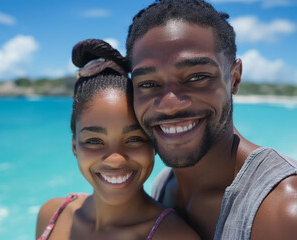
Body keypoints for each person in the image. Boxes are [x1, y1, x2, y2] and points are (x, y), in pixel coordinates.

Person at [125, 0, 297, 239]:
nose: (170, 104)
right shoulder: (164, 186)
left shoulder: (284, 212)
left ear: (234, 78)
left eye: (197, 77)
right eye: (148, 84)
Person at [35, 39, 200, 240]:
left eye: (134, 139)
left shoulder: (173, 236)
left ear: (154, 144)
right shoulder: (52, 214)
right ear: (75, 147)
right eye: (94, 141)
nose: (115, 159)